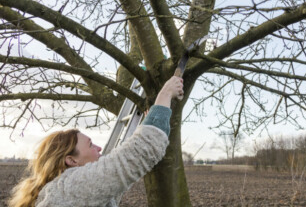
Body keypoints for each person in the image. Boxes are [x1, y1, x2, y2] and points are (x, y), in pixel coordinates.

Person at [8, 76, 184, 207]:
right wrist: (166, 94)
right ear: (71, 160)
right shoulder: (71, 187)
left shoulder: (64, 191)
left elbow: (116, 179)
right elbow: (134, 157)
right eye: (90, 145)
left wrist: (145, 125)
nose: (99, 147)